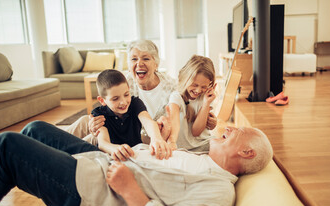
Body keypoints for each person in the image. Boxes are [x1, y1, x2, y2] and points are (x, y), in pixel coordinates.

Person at [0, 121, 273, 206]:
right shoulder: (204, 156)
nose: (231, 128)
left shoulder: (219, 194)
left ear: (245, 152)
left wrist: (130, 191)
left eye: (239, 131)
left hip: (98, 192)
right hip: (105, 160)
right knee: (35, 129)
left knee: (6, 146)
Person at [66, 40, 217, 145]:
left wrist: (209, 120)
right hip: (122, 129)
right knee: (85, 122)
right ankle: (51, 142)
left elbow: (187, 113)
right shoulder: (124, 83)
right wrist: (95, 122)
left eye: (146, 58)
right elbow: (108, 107)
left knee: (89, 141)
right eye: (134, 59)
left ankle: (57, 150)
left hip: (143, 138)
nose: (139, 63)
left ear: (156, 64)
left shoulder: (173, 87)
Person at [91, 69, 171, 160]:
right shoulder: (98, 114)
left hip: (136, 152)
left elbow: (148, 121)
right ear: (102, 100)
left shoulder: (135, 103)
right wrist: (115, 148)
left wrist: (156, 138)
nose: (123, 102)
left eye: (126, 95)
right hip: (112, 155)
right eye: (115, 99)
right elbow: (103, 143)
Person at [168, 55, 217, 152]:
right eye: (194, 85)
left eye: (204, 87)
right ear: (185, 79)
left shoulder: (206, 97)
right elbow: (174, 120)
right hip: (182, 147)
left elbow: (196, 131)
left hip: (204, 143)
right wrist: (172, 141)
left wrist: (206, 104)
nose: (198, 90)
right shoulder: (176, 97)